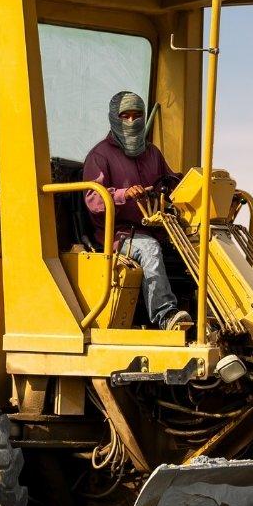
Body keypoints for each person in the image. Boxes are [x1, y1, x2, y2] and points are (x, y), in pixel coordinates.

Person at [82, 90, 191, 331]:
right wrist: (124, 194)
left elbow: (169, 181)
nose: (132, 121)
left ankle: (208, 315)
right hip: (119, 235)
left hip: (155, 228)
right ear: (114, 118)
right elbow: (93, 199)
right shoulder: (99, 155)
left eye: (137, 115)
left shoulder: (152, 153)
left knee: (197, 245)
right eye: (125, 116)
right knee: (149, 249)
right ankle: (165, 315)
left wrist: (185, 184)